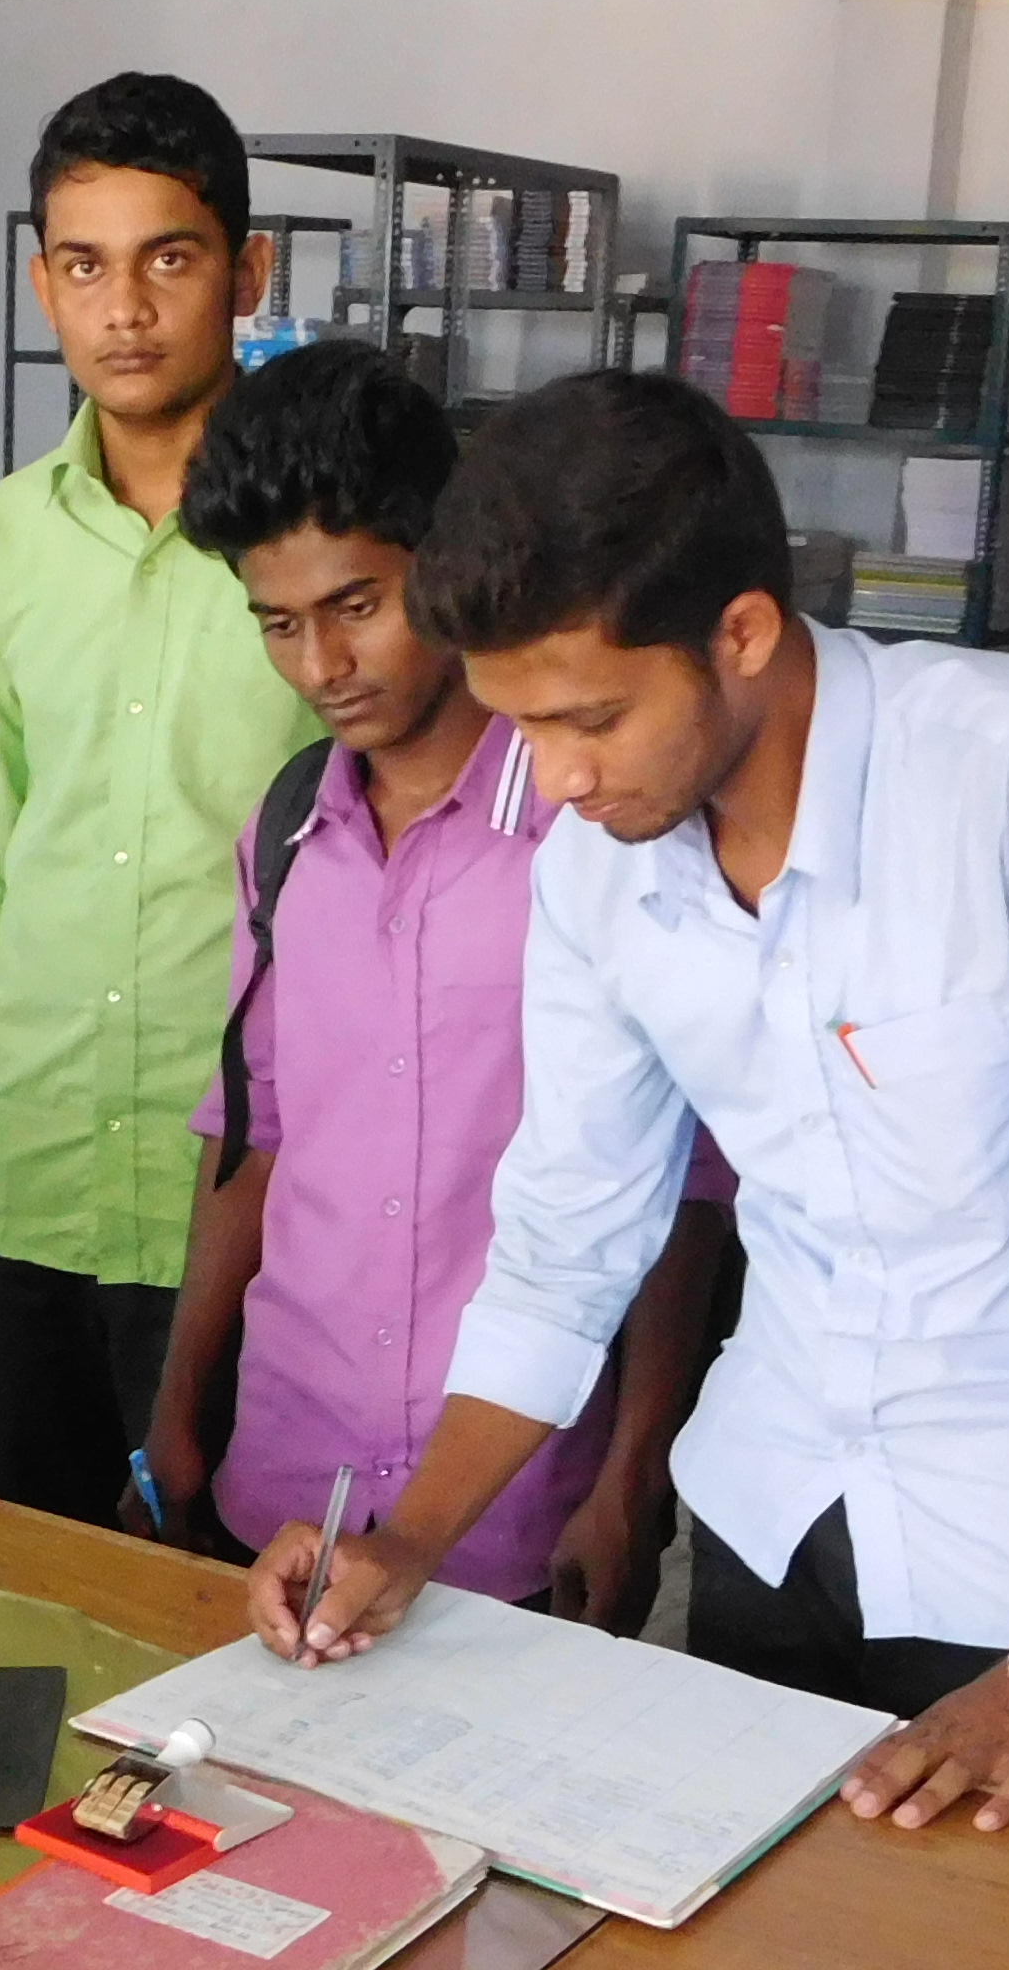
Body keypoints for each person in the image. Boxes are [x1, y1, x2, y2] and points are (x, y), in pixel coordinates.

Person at [249, 372, 1009, 1838]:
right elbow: (563, 1236)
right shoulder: (598, 855)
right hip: (772, 1524)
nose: (558, 775)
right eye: (519, 725)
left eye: (592, 717)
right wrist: (407, 1542)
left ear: (739, 635)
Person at [141, 340, 732, 1622]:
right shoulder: (286, 830)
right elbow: (252, 1135)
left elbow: (683, 1185)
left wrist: (632, 1472)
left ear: (446, 574)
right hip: (285, 1484)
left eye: (359, 606)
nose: (321, 668)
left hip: (523, 1503)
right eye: (278, 625)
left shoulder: (601, 833)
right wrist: (183, 1404)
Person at [0, 70, 318, 1522]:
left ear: (247, 273)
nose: (124, 309)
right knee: (42, 1589)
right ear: (42, 282)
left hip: (252, 1192)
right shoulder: (2, 543)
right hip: (31, 1180)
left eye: (169, 259)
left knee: (231, 1608)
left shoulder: (327, 545)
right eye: (85, 265)